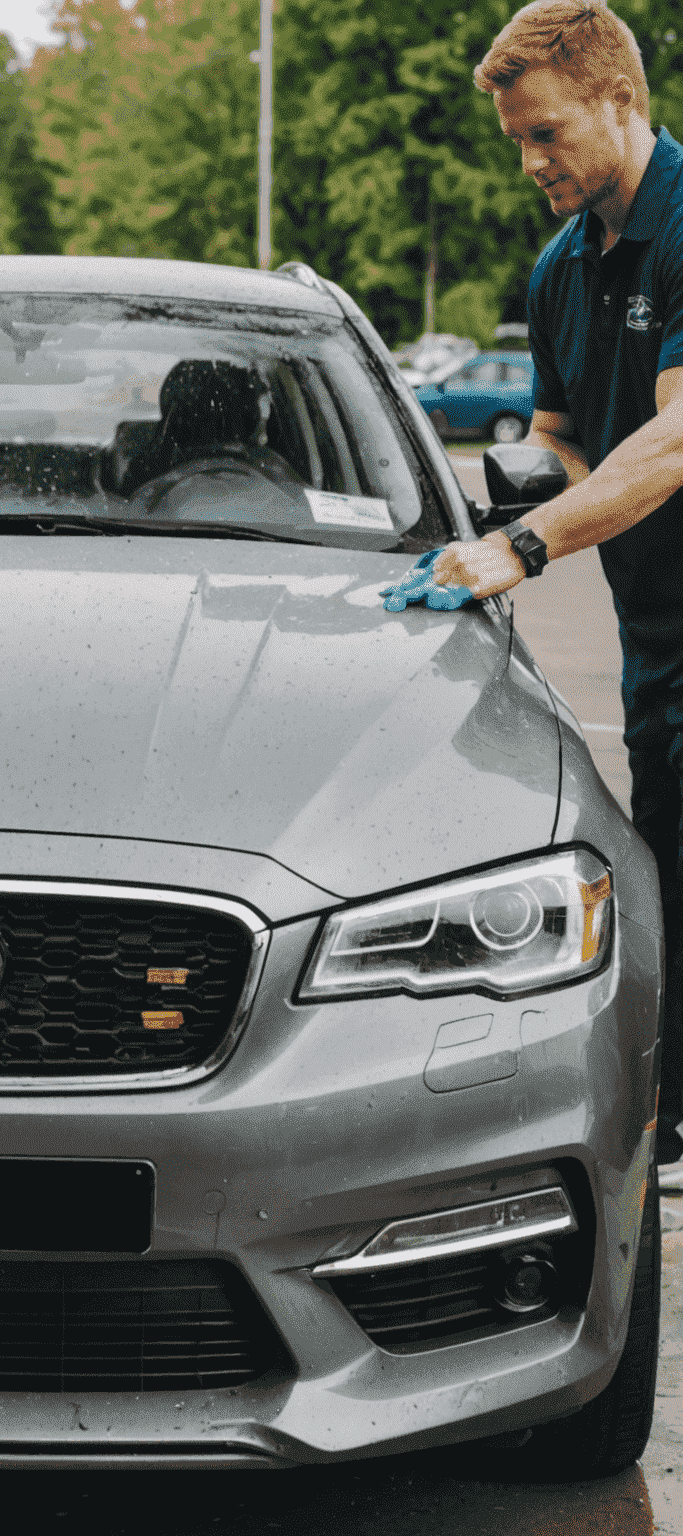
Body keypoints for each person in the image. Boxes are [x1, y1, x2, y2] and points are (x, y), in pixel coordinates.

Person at [429, 1, 683, 1169]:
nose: (530, 163)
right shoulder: (558, 267)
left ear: (620, 102)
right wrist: (500, 515)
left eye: (544, 135)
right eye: (516, 142)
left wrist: (527, 549)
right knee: (668, 853)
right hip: (656, 628)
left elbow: (677, 439)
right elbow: (564, 441)